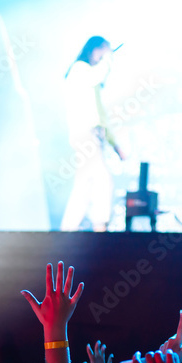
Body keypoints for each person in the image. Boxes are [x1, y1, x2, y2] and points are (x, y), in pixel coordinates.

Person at [61, 37, 126, 232]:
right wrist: (108, 59)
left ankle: (69, 228)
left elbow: (102, 117)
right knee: (102, 179)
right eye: (103, 52)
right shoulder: (80, 69)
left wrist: (115, 145)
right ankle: (100, 226)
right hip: (85, 134)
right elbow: (96, 76)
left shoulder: (90, 80)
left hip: (92, 134)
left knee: (85, 183)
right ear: (94, 50)